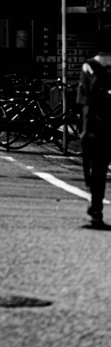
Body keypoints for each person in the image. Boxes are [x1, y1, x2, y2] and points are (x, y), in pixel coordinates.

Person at [77, 30, 111, 226]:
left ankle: (96, 209)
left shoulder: (89, 66)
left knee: (98, 169)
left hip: (98, 127)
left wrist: (85, 129)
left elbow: (85, 101)